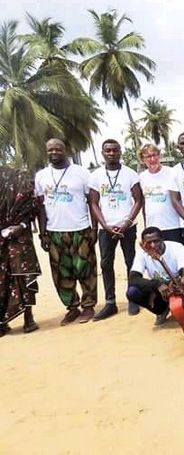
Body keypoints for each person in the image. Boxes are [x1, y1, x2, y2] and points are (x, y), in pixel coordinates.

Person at [35, 138, 98, 325]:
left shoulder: (81, 173)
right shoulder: (41, 176)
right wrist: (43, 233)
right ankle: (72, 307)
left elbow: (92, 202)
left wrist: (94, 228)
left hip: (80, 229)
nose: (54, 152)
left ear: (65, 151)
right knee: (61, 274)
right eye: (50, 149)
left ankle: (88, 306)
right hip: (54, 232)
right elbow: (40, 207)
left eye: (58, 149)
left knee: (86, 269)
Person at [88, 139, 143, 320]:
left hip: (128, 227)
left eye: (115, 150)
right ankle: (110, 302)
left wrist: (127, 222)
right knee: (106, 264)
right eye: (108, 150)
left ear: (120, 152)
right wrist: (104, 225)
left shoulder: (130, 174)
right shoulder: (95, 176)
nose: (111, 153)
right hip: (107, 228)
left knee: (131, 262)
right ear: (102, 153)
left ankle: (133, 297)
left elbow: (138, 200)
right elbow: (93, 203)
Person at [0, 166, 40, 336]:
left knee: (24, 275)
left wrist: (21, 225)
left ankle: (28, 318)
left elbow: (32, 207)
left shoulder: (18, 178)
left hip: (20, 235)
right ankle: (2, 322)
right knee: (1, 279)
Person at [126, 226, 184, 326]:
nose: (153, 245)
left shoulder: (176, 247)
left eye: (156, 241)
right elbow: (133, 279)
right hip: (160, 291)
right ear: (143, 243)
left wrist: (170, 284)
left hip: (177, 287)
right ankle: (161, 310)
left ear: (162, 239)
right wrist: (157, 284)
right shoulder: (141, 253)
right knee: (132, 292)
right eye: (148, 243)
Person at [138, 143, 183, 243]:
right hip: (153, 228)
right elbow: (144, 204)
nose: (152, 159)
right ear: (143, 159)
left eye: (154, 155)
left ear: (159, 155)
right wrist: (146, 226)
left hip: (173, 226)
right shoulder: (141, 177)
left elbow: (179, 199)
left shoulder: (172, 173)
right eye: (148, 156)